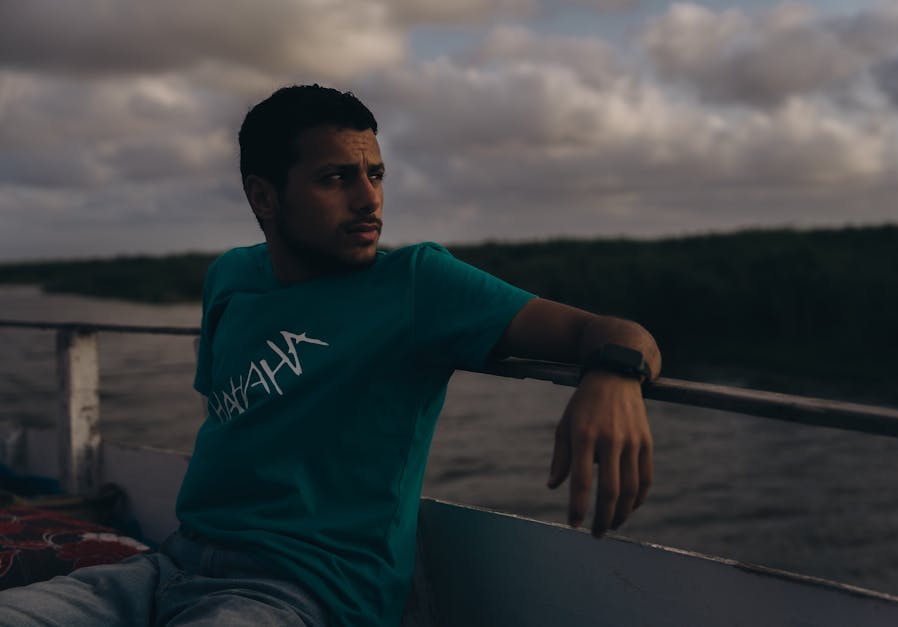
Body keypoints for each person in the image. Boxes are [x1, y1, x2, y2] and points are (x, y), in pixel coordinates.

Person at [0, 85, 660, 627]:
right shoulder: (229, 278)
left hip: (299, 594)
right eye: (335, 178)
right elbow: (233, 419)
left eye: (374, 174)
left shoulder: (417, 284)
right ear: (264, 197)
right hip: (168, 565)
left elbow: (614, 329)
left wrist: (612, 374)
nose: (369, 198)